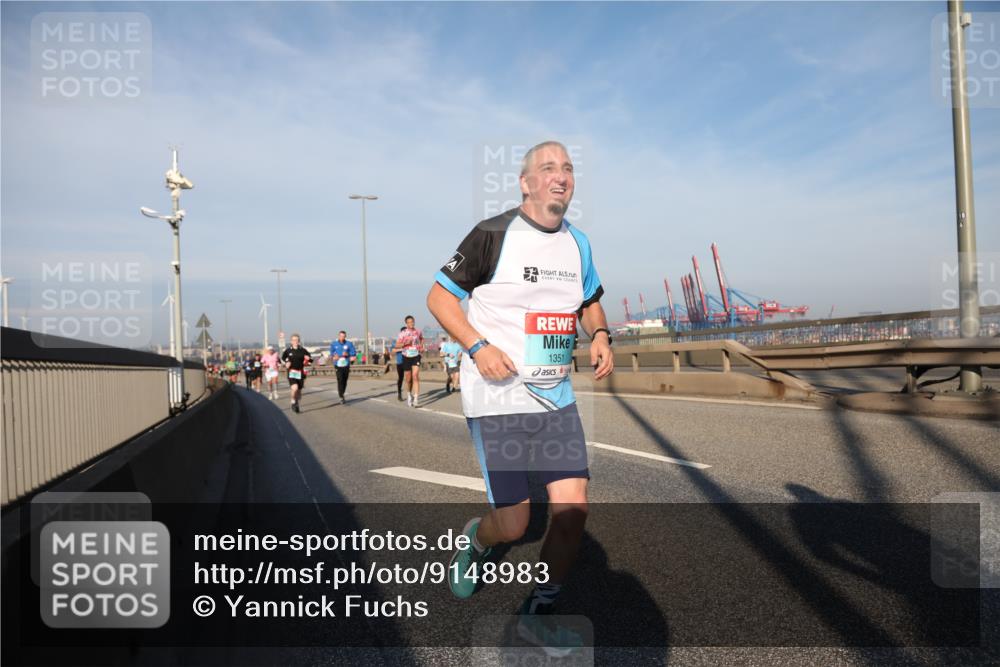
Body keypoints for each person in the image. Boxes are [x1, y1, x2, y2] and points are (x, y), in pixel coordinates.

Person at [426, 141, 613, 653]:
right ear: (526, 183)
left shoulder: (580, 244)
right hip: (498, 397)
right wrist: (478, 346)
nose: (561, 176)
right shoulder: (492, 234)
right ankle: (477, 540)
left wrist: (599, 335)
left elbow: (591, 301)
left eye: (568, 169)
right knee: (514, 523)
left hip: (556, 399)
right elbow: (439, 297)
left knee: (573, 510)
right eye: (548, 168)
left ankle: (543, 601)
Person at [393, 316, 424, 407]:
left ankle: (416, 399)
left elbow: (422, 339)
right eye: (409, 322)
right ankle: (409, 394)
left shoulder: (418, 331)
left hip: (416, 355)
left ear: (414, 322)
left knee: (415, 376)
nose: (411, 323)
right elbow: (397, 344)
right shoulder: (403, 333)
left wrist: (422, 347)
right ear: (406, 323)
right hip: (406, 356)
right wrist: (405, 343)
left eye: (412, 322)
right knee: (408, 379)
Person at [281, 333, 312, 413]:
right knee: (294, 387)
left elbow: (310, 360)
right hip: (292, 372)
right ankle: (293, 401)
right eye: (294, 340)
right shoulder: (288, 351)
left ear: (299, 341)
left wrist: (308, 359)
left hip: (300, 372)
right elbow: (283, 358)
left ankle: (296, 403)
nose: (295, 341)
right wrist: (286, 362)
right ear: (291, 341)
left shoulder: (303, 350)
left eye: (297, 340)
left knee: (299, 391)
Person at [329, 331, 357, 405]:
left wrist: (348, 354)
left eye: (343, 336)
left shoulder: (349, 344)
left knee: (344, 380)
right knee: (340, 379)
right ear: (338, 336)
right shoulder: (334, 344)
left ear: (345, 337)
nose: (342, 338)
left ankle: (342, 393)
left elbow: (353, 353)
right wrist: (334, 356)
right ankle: (341, 396)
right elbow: (331, 353)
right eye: (341, 336)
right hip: (337, 364)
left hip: (346, 364)